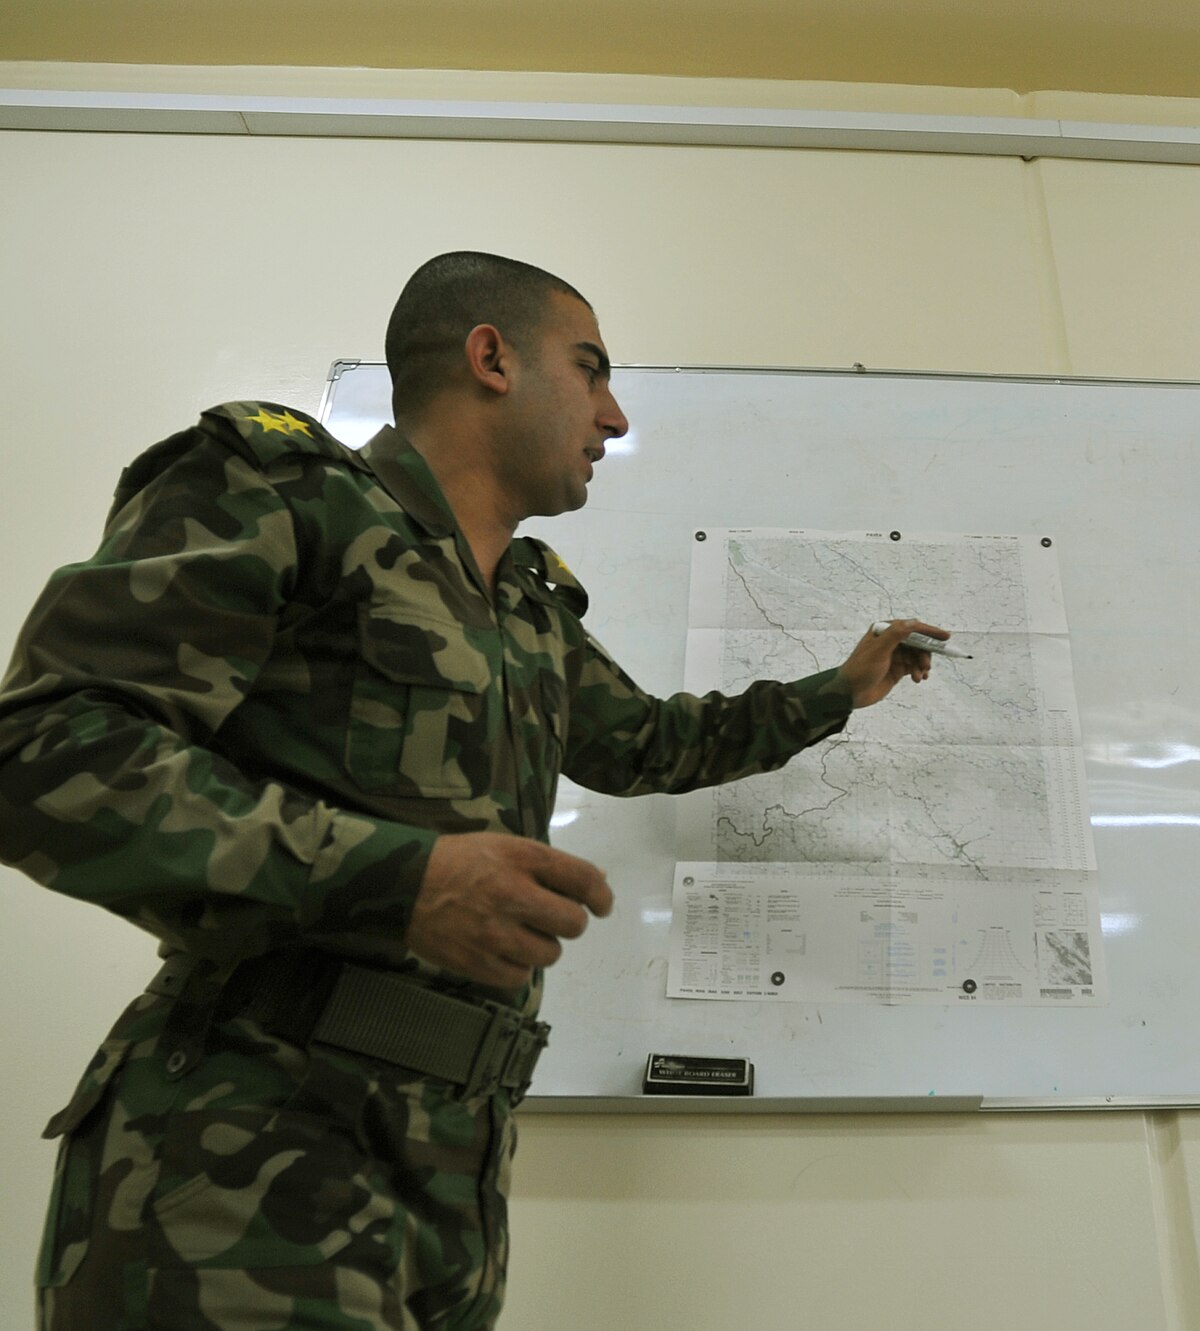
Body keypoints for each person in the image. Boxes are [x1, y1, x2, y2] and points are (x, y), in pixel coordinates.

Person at [0, 251, 949, 1330]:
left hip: (454, 1166)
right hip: (243, 1145)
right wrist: (397, 881)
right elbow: (45, 747)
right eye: (590, 370)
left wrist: (838, 689)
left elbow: (645, 742)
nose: (616, 414)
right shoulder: (285, 497)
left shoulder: (528, 606)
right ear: (490, 358)